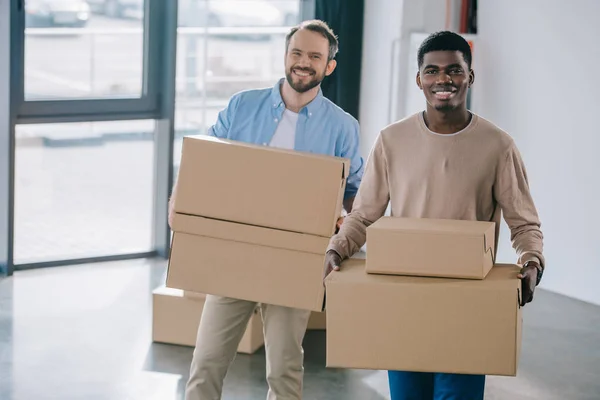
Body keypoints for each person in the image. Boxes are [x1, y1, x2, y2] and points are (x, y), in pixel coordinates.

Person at [323, 31, 545, 400]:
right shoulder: (392, 141)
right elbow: (363, 215)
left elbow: (523, 222)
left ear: (469, 77)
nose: (443, 79)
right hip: (405, 298)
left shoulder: (497, 145)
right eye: (432, 71)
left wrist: (532, 261)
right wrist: (336, 250)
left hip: (468, 302)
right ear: (419, 79)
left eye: (454, 70)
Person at [168, 20, 364, 400]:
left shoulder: (342, 126)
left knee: (285, 371)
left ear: (329, 66)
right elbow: (202, 162)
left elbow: (355, 193)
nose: (303, 62)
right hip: (235, 255)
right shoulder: (243, 105)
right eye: (297, 53)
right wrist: (179, 205)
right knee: (206, 361)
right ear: (285, 56)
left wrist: (344, 228)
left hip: (295, 263)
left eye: (314, 56)